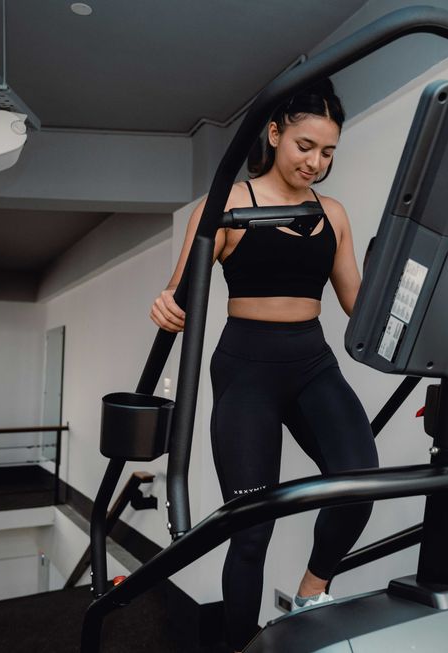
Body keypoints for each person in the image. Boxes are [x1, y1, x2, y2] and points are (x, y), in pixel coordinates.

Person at [149, 79, 378, 653]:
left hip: (311, 361)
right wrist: (163, 305)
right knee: (250, 531)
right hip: (245, 367)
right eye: (305, 146)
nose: (316, 162)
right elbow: (179, 295)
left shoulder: (334, 214)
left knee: (360, 481)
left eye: (327, 152)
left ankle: (312, 589)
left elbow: (359, 306)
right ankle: (238, 647)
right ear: (274, 135)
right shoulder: (225, 207)